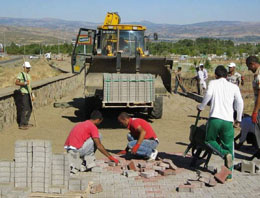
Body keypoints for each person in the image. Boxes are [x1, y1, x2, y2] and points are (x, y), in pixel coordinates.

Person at [197, 65, 244, 180]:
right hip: (228, 121)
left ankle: (223, 154)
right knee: (229, 146)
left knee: (209, 140)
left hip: (215, 119)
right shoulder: (234, 87)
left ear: (216, 75)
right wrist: (238, 119)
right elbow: (240, 103)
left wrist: (201, 107)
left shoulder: (213, 83)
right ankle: (229, 174)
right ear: (226, 75)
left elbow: (208, 95)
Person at [246, 55, 260, 159]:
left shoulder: (259, 75)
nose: (248, 69)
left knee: (258, 129)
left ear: (253, 64)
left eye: (249, 66)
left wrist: (255, 111)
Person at [15, 61, 34, 130]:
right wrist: (24, 83)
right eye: (27, 68)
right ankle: (21, 124)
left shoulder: (28, 75)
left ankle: (26, 122)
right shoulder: (21, 74)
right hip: (24, 93)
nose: (28, 69)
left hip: (29, 93)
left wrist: (32, 94)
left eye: (29, 68)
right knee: (24, 108)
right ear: (24, 68)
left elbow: (30, 86)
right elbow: (16, 82)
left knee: (30, 108)